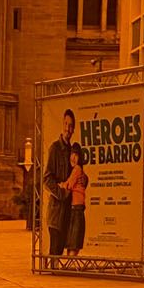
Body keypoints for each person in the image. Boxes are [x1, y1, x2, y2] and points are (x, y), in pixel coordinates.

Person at [43, 108, 77, 257]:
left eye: (71, 126)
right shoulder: (54, 149)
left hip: (67, 213)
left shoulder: (72, 152)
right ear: (62, 125)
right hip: (56, 213)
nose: (68, 129)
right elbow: (46, 179)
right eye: (66, 124)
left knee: (61, 251)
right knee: (55, 253)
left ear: (73, 129)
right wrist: (61, 193)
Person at [63, 144, 88, 255]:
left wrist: (60, 184)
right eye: (71, 154)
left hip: (75, 208)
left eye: (76, 155)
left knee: (73, 241)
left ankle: (70, 265)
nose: (73, 157)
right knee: (74, 241)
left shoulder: (77, 169)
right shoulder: (81, 171)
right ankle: (70, 264)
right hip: (79, 207)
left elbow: (69, 185)